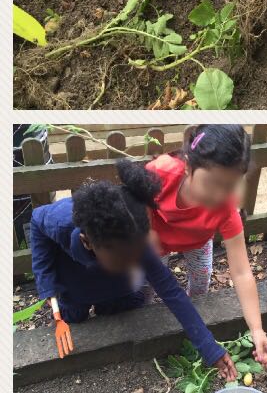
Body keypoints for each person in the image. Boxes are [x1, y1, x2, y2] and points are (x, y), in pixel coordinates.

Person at [29, 160, 236, 377]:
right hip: (74, 281)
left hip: (116, 285)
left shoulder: (134, 242)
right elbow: (35, 220)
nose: (134, 263)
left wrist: (209, 347)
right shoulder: (62, 221)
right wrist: (46, 281)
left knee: (120, 307)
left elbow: (172, 292)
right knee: (74, 316)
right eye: (123, 259)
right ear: (88, 242)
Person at [146, 124, 267, 368]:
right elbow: (135, 199)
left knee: (201, 280)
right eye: (212, 183)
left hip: (197, 240)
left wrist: (257, 330)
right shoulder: (160, 173)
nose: (218, 195)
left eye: (229, 186)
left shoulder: (226, 208)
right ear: (187, 166)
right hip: (156, 239)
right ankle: (147, 317)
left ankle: (194, 320)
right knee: (145, 285)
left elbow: (241, 271)